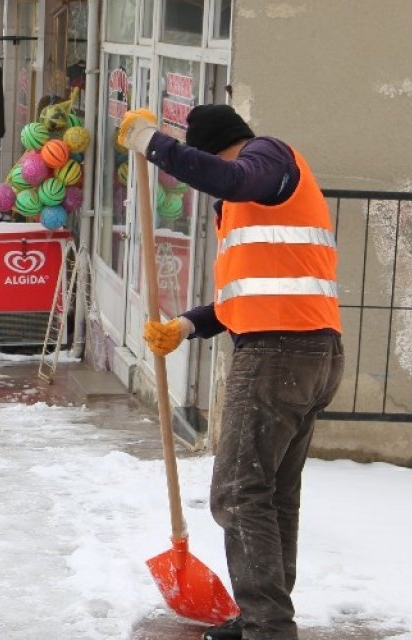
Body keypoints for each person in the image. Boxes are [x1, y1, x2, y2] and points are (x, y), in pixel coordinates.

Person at [119, 104, 344, 640]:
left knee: (238, 493)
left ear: (214, 146)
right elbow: (248, 297)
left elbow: (231, 177)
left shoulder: (267, 158)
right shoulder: (254, 210)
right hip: (307, 352)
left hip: (278, 357)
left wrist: (155, 143)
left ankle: (268, 627)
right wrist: (187, 325)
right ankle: (264, 617)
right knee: (269, 495)